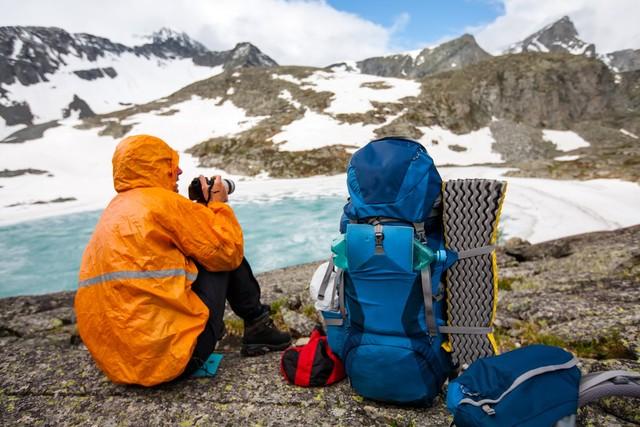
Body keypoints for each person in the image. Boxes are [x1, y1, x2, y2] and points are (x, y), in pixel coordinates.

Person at [74, 134, 291, 386]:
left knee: (205, 249)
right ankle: (258, 327)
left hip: (120, 365)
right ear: (154, 167)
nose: (178, 170)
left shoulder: (113, 212)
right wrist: (217, 207)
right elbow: (226, 252)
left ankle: (249, 327)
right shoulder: (164, 203)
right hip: (174, 359)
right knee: (222, 249)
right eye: (169, 163)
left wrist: (199, 211)